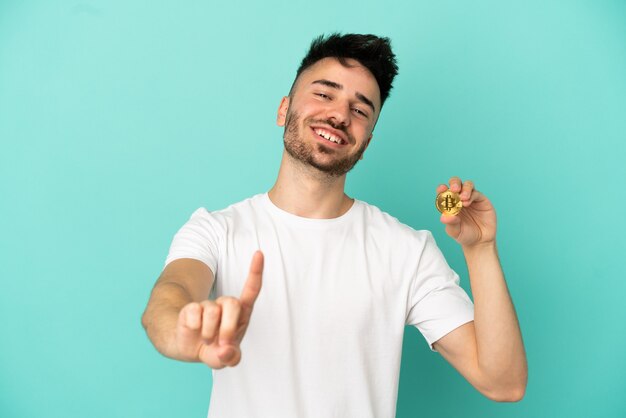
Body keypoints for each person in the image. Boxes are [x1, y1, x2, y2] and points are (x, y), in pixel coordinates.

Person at [141, 33, 528, 417]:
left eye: (360, 110)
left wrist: (480, 250)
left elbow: (503, 382)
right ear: (284, 109)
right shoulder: (216, 230)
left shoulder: (406, 251)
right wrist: (186, 333)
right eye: (324, 94)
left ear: (367, 141)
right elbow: (169, 296)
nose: (340, 115)